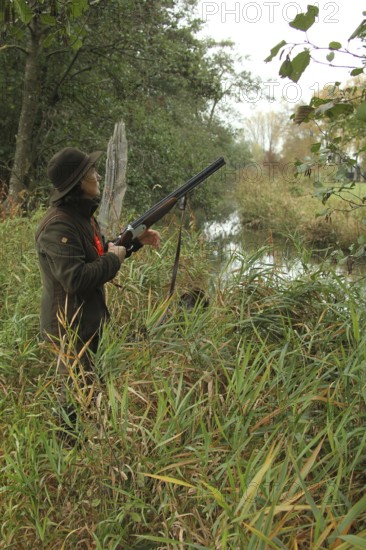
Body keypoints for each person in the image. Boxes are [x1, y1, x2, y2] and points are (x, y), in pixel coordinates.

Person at [35, 147, 160, 431]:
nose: (98, 175)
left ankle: (91, 449)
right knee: (74, 402)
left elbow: (103, 252)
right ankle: (69, 456)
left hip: (89, 320)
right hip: (69, 328)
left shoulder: (82, 216)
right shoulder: (57, 227)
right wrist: (113, 259)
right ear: (79, 182)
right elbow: (76, 278)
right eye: (92, 172)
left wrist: (136, 241)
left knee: (92, 392)